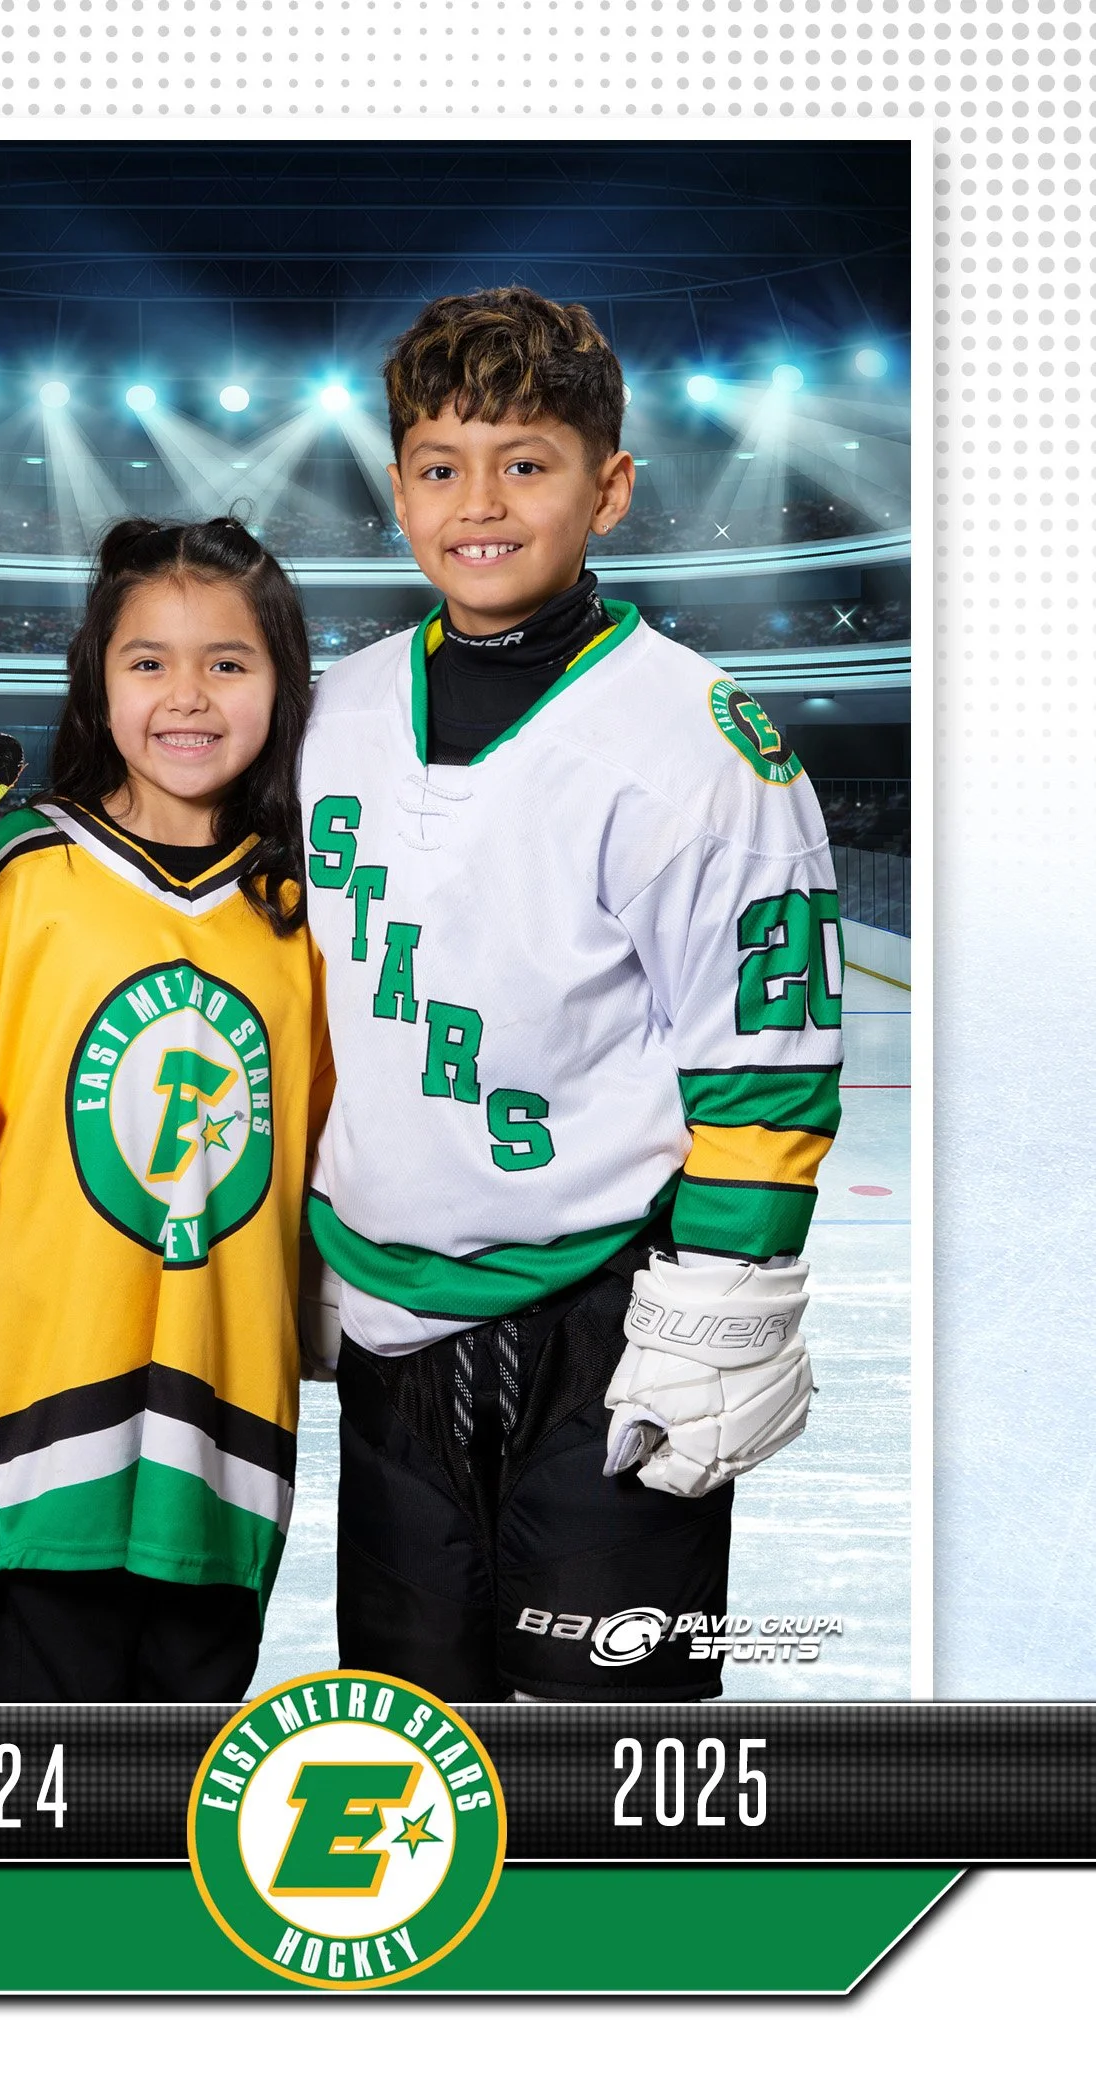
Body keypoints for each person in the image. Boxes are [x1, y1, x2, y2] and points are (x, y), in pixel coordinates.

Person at [299, 288, 842, 1701]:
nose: (478, 502)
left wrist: (729, 1294)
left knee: (615, 1757)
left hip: (609, 1317)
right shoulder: (333, 713)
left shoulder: (699, 738)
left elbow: (766, 1055)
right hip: (390, 1331)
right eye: (439, 465)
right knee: (416, 1745)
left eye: (525, 463)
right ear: (400, 488)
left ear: (609, 489)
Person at [0, 516, 333, 1701]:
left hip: (229, 1452)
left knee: (177, 1829)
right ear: (98, 679)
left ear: (283, 685)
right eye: (150, 661)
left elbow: (334, 1150)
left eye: (228, 662)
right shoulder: (30, 876)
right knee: (49, 1828)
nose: (188, 695)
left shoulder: (307, 914)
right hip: (43, 1439)